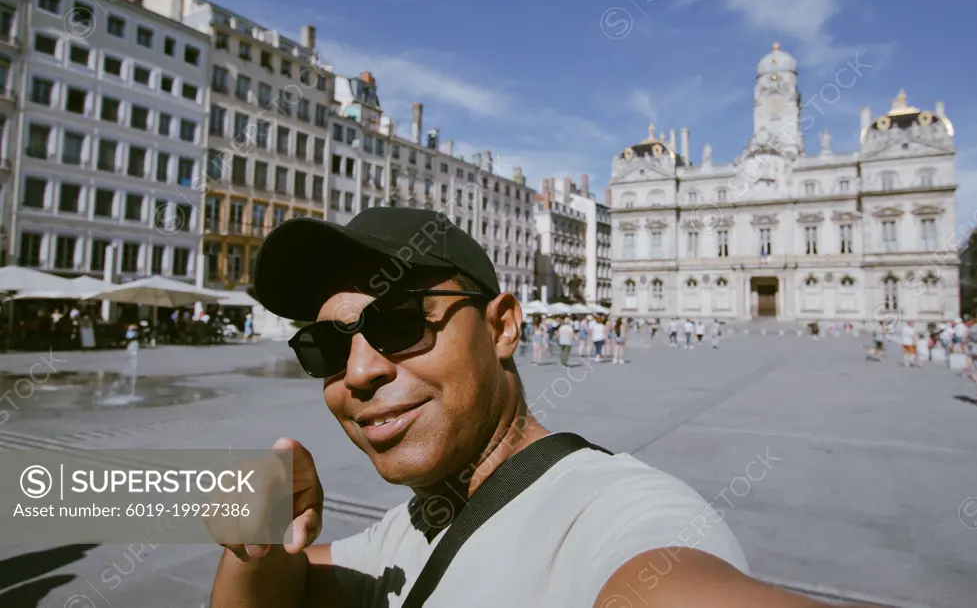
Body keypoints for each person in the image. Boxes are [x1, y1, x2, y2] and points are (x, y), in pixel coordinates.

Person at [212, 207, 862, 607]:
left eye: (402, 321)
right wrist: (259, 539)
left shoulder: (615, 521)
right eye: (326, 345)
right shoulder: (409, 528)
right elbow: (282, 590)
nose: (358, 371)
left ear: (502, 327)